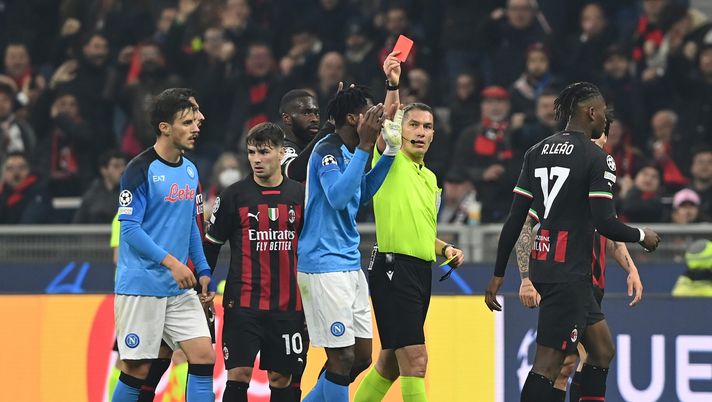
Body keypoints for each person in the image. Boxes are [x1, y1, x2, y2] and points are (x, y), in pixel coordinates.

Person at [483, 82, 661, 402]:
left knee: (602, 350)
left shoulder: (536, 152)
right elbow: (605, 222)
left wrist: (498, 275)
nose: (604, 120)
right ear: (591, 112)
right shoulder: (597, 158)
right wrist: (642, 236)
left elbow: (515, 220)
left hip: (550, 264)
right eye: (602, 113)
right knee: (550, 364)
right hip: (570, 273)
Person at [354, 52, 465, 402]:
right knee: (416, 361)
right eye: (413, 125)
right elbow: (386, 121)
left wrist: (444, 249)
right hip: (393, 269)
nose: (420, 132)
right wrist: (392, 83)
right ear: (401, 130)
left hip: (419, 272)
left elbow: (421, 232)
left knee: (389, 363)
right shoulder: (392, 160)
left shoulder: (430, 178)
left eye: (427, 127)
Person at [516, 117, 644, 402]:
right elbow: (525, 223)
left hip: (590, 284)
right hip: (567, 279)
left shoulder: (598, 177)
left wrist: (631, 268)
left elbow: (608, 229)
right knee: (563, 363)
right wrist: (525, 278)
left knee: (591, 355)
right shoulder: (565, 182)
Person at [112, 88, 215, 402]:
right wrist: (172, 262)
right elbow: (129, 229)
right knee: (136, 369)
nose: (196, 127)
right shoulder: (139, 170)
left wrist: (204, 270)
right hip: (142, 287)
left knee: (203, 356)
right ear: (164, 127)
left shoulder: (189, 170)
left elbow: (191, 229)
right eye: (186, 122)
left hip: (179, 289)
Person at [297, 85, 397, 401]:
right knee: (340, 359)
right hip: (323, 265)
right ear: (354, 118)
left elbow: (360, 192)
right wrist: (368, 147)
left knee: (363, 357)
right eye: (371, 112)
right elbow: (338, 198)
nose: (378, 117)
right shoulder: (327, 149)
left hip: (349, 264)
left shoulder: (353, 151)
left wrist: (390, 154)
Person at [204, 122, 305, 402]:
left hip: (288, 305)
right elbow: (211, 245)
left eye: (264, 152)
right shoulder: (234, 196)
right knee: (238, 376)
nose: (257, 159)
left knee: (281, 378)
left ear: (281, 152)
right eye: (251, 153)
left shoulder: (300, 195)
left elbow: (310, 249)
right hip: (243, 304)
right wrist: (203, 284)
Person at [73, 149, 127, 223]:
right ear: (104, 170)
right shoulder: (92, 195)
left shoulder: (130, 193)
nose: (122, 170)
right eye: (116, 166)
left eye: (123, 166)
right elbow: (78, 223)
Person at [0, 151, 51, 224]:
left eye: (21, 168)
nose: (16, 173)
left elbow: (28, 225)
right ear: (3, 173)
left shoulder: (39, 193)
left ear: (29, 170)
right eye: (10, 168)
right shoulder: (2, 194)